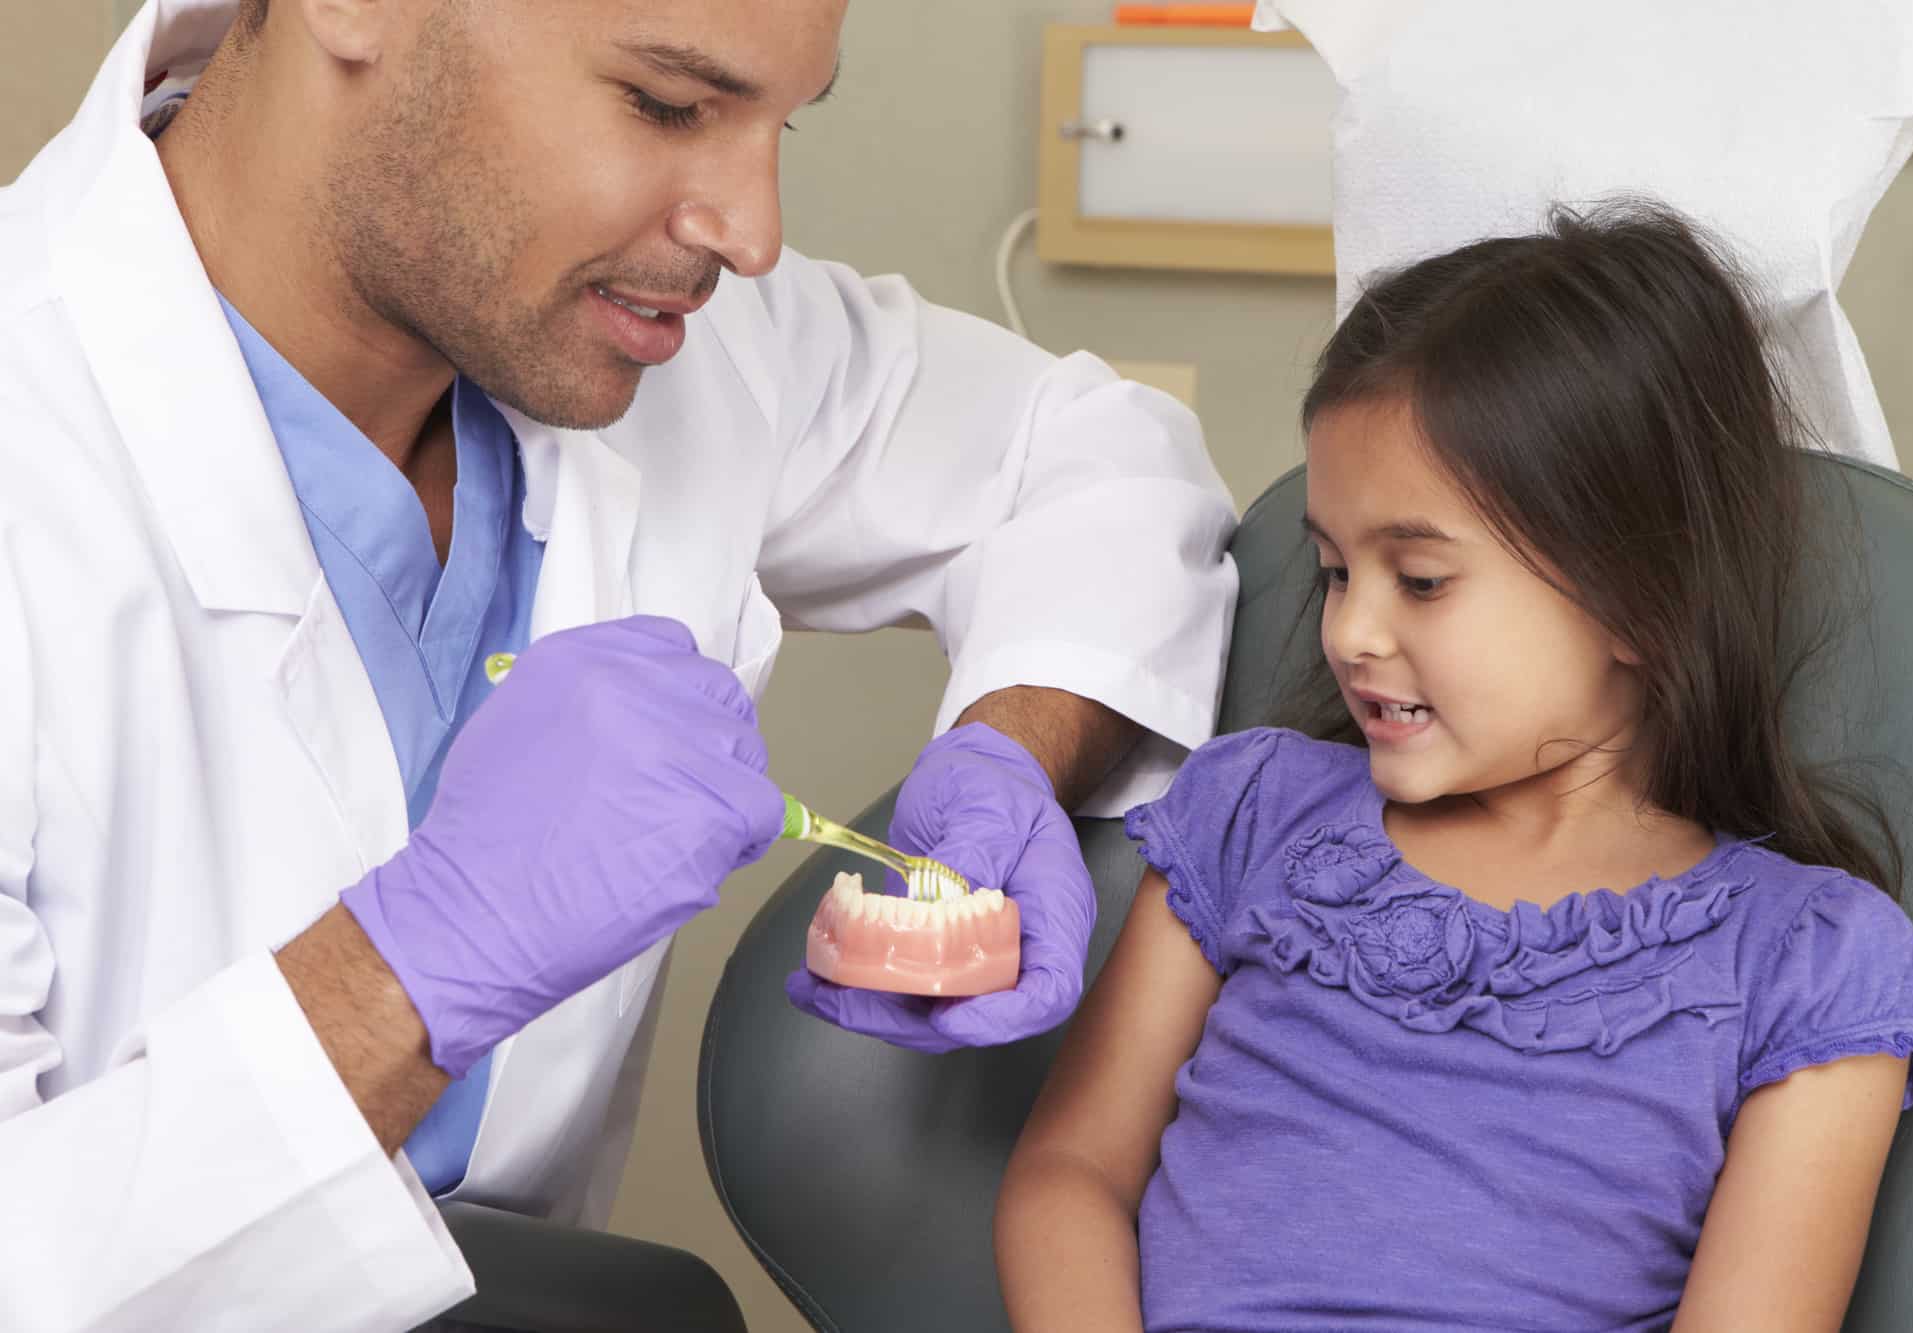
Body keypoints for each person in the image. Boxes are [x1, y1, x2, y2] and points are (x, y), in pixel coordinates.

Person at [0, 0, 1237, 1327]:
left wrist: (1014, 753)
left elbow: (1098, 456)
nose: (750, 236)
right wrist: (408, 971)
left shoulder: (666, 348)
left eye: (782, 121)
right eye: (666, 106)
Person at [995, 202, 1913, 1331]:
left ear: (1639, 594)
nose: (1347, 631)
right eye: (1336, 569)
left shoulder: (1804, 957)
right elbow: (1068, 1175)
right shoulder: (1252, 815)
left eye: (1421, 579)